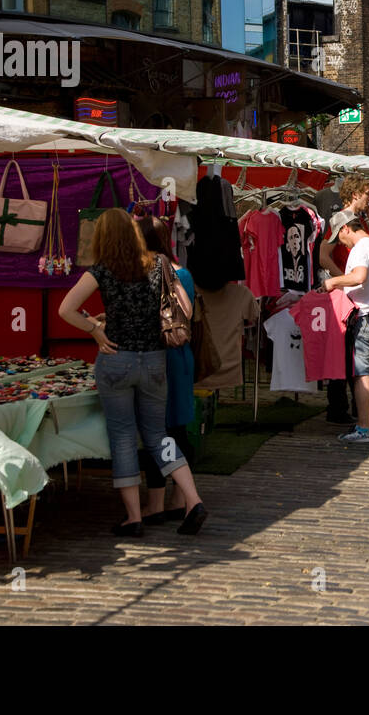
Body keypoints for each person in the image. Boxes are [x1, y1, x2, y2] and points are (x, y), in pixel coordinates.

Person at [58, 208, 207, 536]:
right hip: (154, 360)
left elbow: (65, 309)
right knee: (159, 435)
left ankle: (134, 517)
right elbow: (186, 307)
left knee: (124, 438)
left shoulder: (101, 270)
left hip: (116, 360)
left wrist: (95, 329)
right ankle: (193, 499)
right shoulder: (160, 264)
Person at [137, 215, 198, 524]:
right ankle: (180, 497)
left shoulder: (144, 274)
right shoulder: (183, 274)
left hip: (158, 357)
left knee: (155, 431)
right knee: (177, 429)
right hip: (180, 353)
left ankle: (156, 503)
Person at [325, 210, 369, 444]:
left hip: (364, 317)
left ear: (345, 229)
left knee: (361, 374)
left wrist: (333, 281)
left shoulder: (362, 248)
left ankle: (363, 428)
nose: (339, 242)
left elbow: (359, 276)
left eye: (338, 237)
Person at [318, 174, 369, 424]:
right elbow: (323, 255)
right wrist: (343, 279)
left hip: (360, 293)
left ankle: (360, 406)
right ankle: (339, 407)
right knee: (343, 352)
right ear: (355, 194)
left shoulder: (363, 219)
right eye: (366, 192)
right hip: (346, 294)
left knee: (359, 351)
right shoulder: (340, 220)